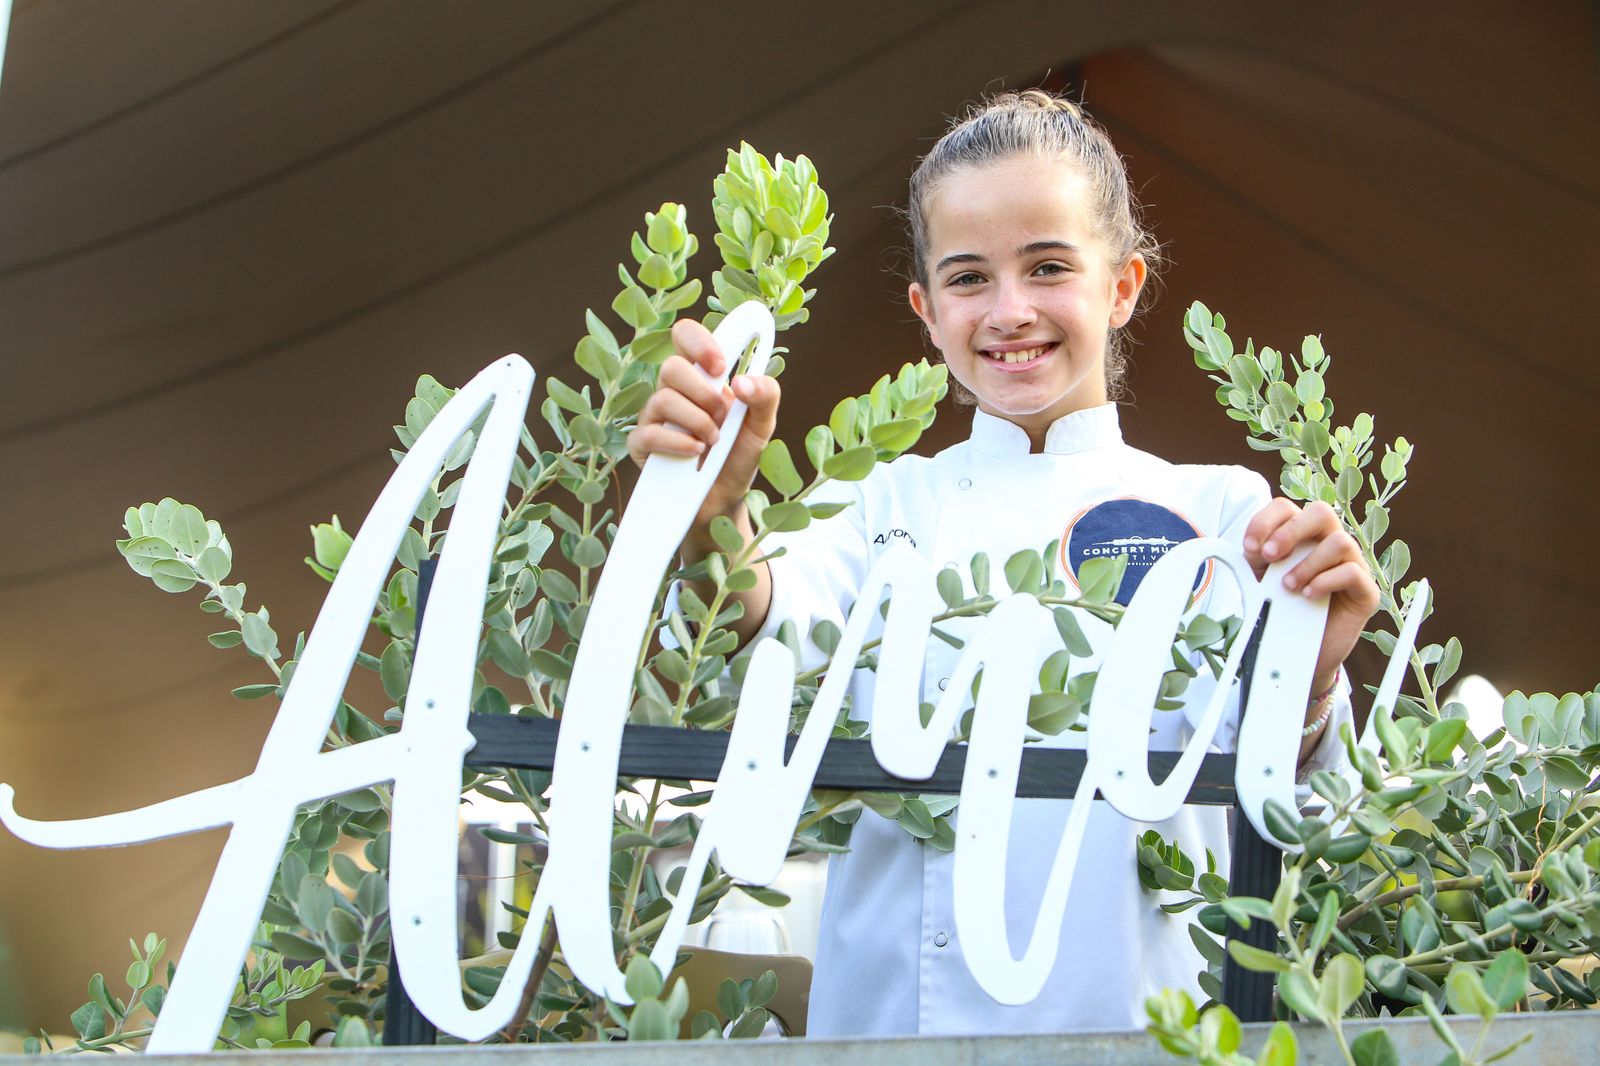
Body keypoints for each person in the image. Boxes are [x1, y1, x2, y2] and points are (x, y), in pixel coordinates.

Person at [626, 90, 1379, 1036]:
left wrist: (1313, 677)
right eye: (969, 278)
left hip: (1152, 1035)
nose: (1010, 311)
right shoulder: (875, 506)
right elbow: (755, 626)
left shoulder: (1223, 512)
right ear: (927, 311)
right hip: (895, 1039)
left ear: (1122, 286)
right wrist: (713, 515)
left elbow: (1307, 815)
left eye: (1048, 266)